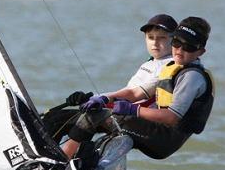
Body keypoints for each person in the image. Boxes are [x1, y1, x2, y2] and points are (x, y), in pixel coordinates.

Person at [61, 16, 214, 161]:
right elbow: (135, 93)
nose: (180, 49)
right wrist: (104, 98)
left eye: (188, 46)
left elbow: (171, 117)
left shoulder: (192, 77)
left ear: (200, 51)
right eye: (176, 42)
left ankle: (61, 162)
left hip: (164, 140)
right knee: (82, 115)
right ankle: (75, 161)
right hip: (154, 130)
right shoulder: (172, 67)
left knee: (95, 117)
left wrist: (132, 110)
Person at [42, 14, 176, 143]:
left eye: (162, 38)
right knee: (55, 117)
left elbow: (134, 95)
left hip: (138, 120)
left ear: (174, 40)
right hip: (124, 113)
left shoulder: (169, 66)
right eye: (150, 37)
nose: (155, 43)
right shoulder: (151, 62)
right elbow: (126, 92)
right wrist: (89, 98)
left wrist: (101, 99)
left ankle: (55, 159)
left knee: (60, 119)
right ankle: (59, 158)